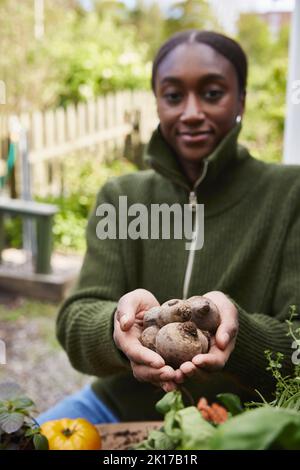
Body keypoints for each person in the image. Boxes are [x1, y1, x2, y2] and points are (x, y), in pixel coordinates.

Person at [38, 30, 300, 425]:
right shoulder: (122, 197)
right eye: (173, 96)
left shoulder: (289, 195)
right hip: (116, 407)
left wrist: (236, 332)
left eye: (212, 93)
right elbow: (75, 318)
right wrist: (119, 329)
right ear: (157, 101)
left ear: (241, 99)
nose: (191, 112)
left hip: (243, 420)